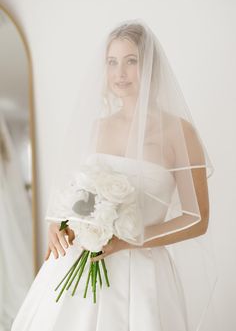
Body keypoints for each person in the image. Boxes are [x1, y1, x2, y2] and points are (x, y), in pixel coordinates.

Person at [11, 19, 218, 331]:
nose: (120, 73)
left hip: (143, 272)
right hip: (80, 262)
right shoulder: (97, 128)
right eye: (112, 63)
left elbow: (196, 218)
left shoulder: (179, 133)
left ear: (150, 67)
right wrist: (60, 223)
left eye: (131, 61)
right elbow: (76, 192)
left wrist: (130, 241)